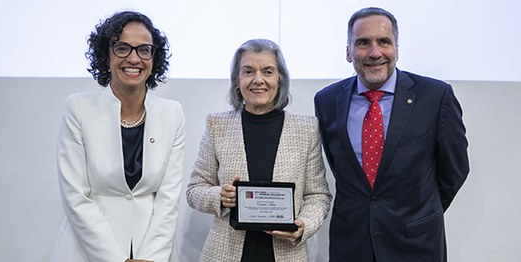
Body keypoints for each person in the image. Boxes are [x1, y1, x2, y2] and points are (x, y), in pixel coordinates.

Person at [314, 7, 470, 262]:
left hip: (416, 245)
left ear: (396, 48)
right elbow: (339, 167)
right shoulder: (327, 101)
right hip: (351, 245)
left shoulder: (435, 97)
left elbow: (455, 170)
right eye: (363, 43)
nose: (375, 53)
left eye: (384, 42)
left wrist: (418, 213)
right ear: (348, 51)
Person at [49, 11, 185, 262]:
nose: (134, 58)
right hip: (88, 251)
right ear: (106, 54)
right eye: (122, 48)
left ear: (154, 58)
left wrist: (150, 258)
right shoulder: (78, 108)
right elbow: (76, 197)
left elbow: (168, 200)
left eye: (144, 50)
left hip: (152, 251)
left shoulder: (172, 114)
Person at [186, 39, 331, 262]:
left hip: (286, 253)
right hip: (225, 253)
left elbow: (317, 195)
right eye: (248, 71)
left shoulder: (306, 129)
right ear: (237, 80)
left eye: (268, 71)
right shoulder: (217, 125)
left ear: (280, 79)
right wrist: (220, 196)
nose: (258, 80)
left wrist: (303, 225)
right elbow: (195, 190)